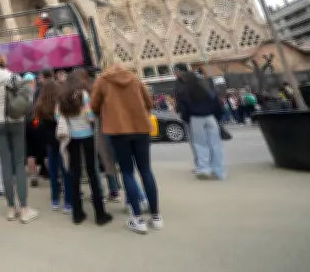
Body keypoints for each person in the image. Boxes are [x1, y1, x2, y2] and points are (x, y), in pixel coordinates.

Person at [91, 62, 162, 234]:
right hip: (141, 129)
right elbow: (148, 103)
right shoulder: (134, 78)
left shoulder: (102, 81)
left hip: (118, 131)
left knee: (127, 172)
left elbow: (94, 106)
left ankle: (137, 219)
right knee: (146, 171)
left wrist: (111, 111)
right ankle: (156, 216)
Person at [0, 54, 38, 223]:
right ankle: (24, 208)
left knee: (5, 165)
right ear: (5, 63)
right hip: (16, 121)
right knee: (19, 163)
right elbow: (26, 98)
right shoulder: (14, 76)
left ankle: (10, 208)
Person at [57, 71, 113, 226]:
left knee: (75, 173)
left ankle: (77, 213)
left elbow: (58, 117)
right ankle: (100, 214)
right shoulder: (83, 95)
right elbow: (89, 116)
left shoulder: (62, 97)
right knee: (92, 173)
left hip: (72, 138)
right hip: (87, 136)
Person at [174, 67, 226, 180]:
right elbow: (216, 103)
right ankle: (219, 171)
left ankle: (204, 168)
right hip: (210, 117)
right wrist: (218, 117)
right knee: (215, 144)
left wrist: (187, 119)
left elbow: (184, 107)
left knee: (201, 145)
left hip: (196, 118)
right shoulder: (207, 89)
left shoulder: (185, 91)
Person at [34, 70, 72, 214]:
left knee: (53, 170)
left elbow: (36, 118)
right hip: (62, 135)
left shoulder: (41, 98)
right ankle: (68, 202)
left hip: (49, 138)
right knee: (66, 168)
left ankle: (55, 200)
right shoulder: (61, 94)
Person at [23, 72, 44, 189]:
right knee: (44, 150)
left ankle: (33, 176)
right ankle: (51, 174)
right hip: (37, 123)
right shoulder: (37, 92)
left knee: (30, 152)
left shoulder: (21, 94)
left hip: (27, 125)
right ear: (33, 81)